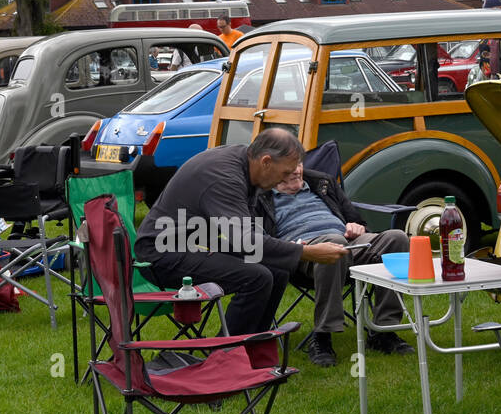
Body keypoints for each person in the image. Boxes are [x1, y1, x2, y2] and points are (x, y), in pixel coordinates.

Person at [134, 129, 347, 336]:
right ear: (266, 162)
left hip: (195, 241)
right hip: (161, 251)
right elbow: (246, 241)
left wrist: (288, 250)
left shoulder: (247, 163)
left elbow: (249, 235)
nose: (283, 181)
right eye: (283, 174)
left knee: (277, 269)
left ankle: (253, 346)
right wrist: (306, 253)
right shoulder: (224, 178)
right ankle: (225, 354)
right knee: (255, 278)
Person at [256, 163, 413, 365]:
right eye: (289, 164)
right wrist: (289, 248)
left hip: (348, 243)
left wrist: (357, 227)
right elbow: (258, 240)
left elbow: (356, 220)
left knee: (396, 238)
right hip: (303, 252)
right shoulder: (259, 195)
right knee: (334, 244)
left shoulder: (321, 182)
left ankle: (384, 331)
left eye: (299, 163)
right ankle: (322, 337)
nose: (296, 169)